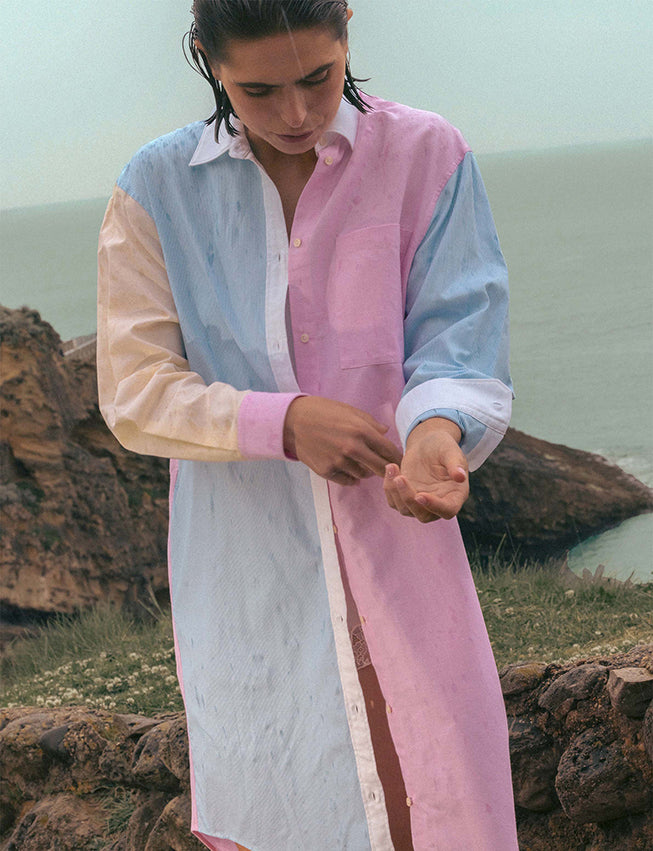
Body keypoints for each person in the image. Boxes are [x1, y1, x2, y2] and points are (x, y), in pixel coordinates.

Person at [97, 1, 518, 848]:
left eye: (318, 78)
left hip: (399, 547)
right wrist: (282, 422)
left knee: (436, 794)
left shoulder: (424, 153)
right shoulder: (156, 187)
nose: (295, 113)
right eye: (258, 90)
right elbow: (134, 389)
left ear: (347, 31)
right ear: (207, 58)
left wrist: (437, 430)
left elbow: (458, 329)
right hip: (246, 563)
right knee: (282, 797)